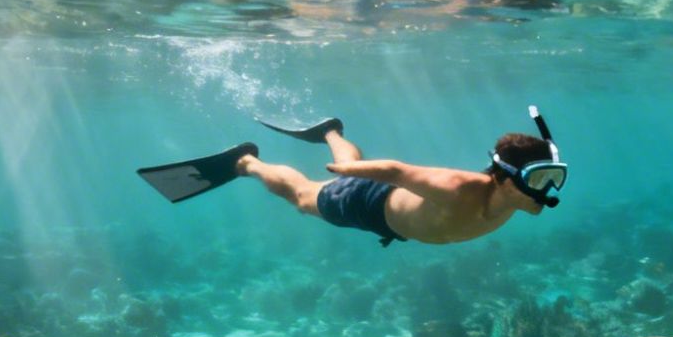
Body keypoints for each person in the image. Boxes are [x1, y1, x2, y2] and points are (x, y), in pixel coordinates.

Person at [139, 108, 567, 246]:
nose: (547, 191)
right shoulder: (459, 189)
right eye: (540, 177)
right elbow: (397, 170)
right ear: (505, 177)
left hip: (389, 211)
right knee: (305, 197)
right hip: (367, 203)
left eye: (553, 177)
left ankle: (330, 131)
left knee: (345, 177)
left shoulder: (515, 198)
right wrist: (344, 171)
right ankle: (245, 163)